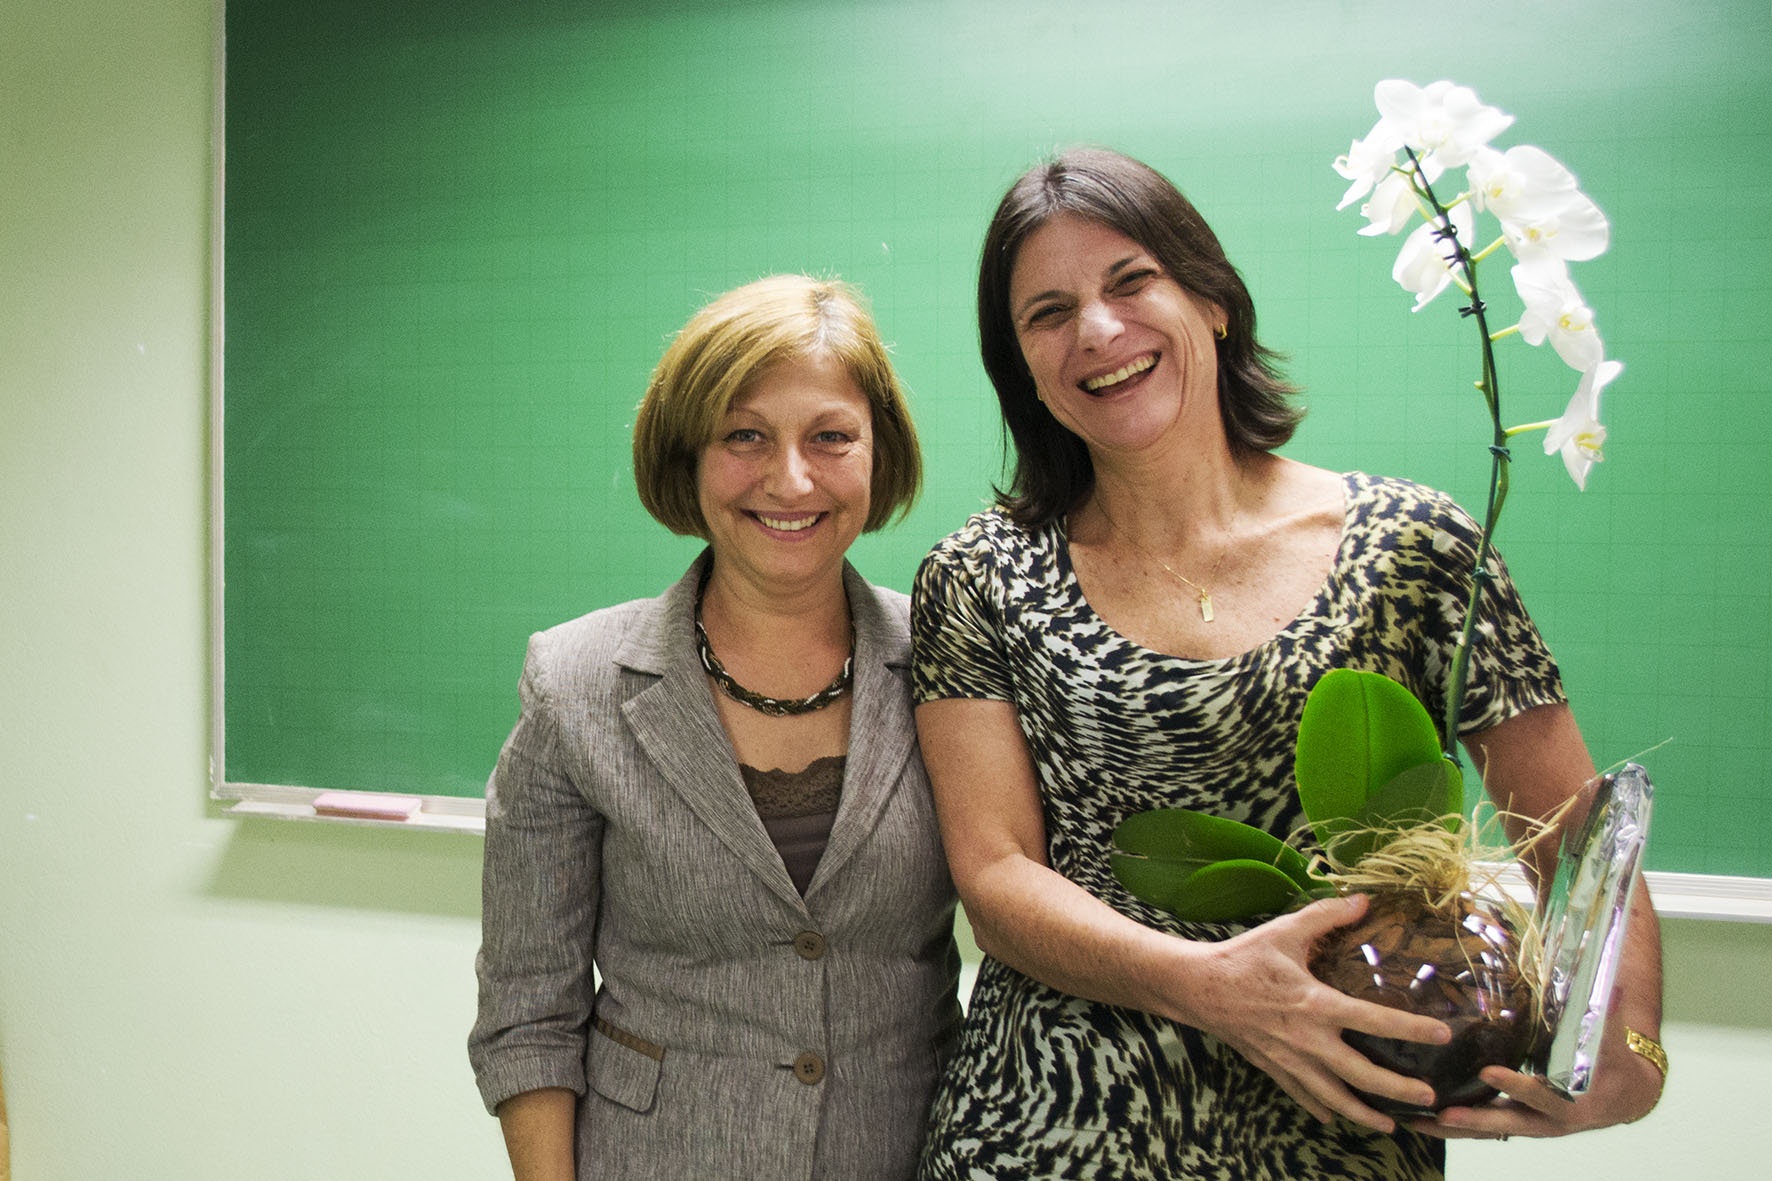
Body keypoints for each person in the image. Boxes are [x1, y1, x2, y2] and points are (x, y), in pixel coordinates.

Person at [910, 148, 1665, 1179]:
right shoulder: (977, 575)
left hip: (1339, 1136)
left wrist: (1629, 1047)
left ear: (1212, 299)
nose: (1096, 329)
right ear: (1024, 368)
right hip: (1045, 1132)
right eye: (1046, 313)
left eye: (1131, 281)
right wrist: (1205, 981)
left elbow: (1573, 839)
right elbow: (995, 875)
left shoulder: (1413, 543)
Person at [469, 274, 962, 1180]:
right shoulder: (574, 683)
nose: (792, 478)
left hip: (911, 1155)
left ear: (878, 454)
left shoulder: (953, 663)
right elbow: (529, 1010)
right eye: (745, 435)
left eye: (831, 436)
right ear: (686, 456)